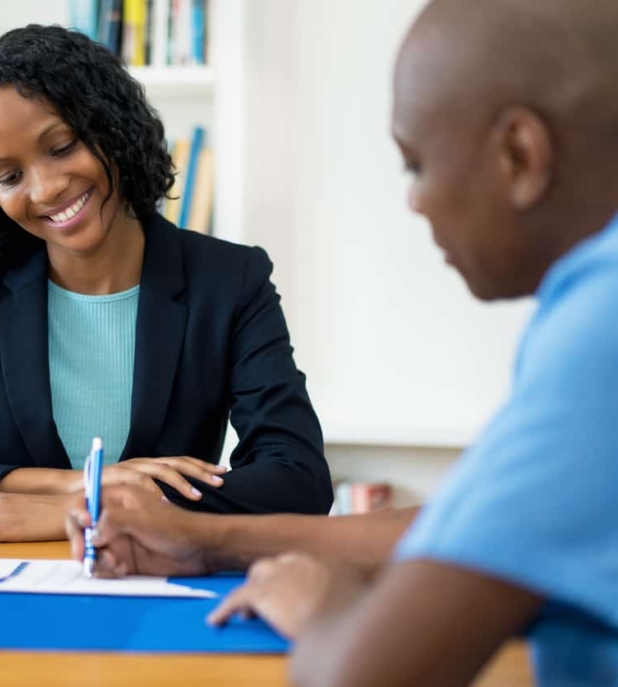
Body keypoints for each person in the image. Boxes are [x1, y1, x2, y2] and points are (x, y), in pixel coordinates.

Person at [67, 0, 618, 683]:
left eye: (415, 163)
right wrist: (205, 541)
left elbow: (361, 675)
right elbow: (464, 526)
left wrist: (322, 604)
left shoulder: (601, 330)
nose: (414, 202)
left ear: (520, 154)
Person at [0, 24, 333, 542]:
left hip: (164, 588)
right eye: (8, 176)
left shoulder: (229, 280)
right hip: (9, 589)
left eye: (61, 146)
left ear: (110, 126)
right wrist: (69, 488)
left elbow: (298, 482)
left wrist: (96, 509)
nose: (44, 188)